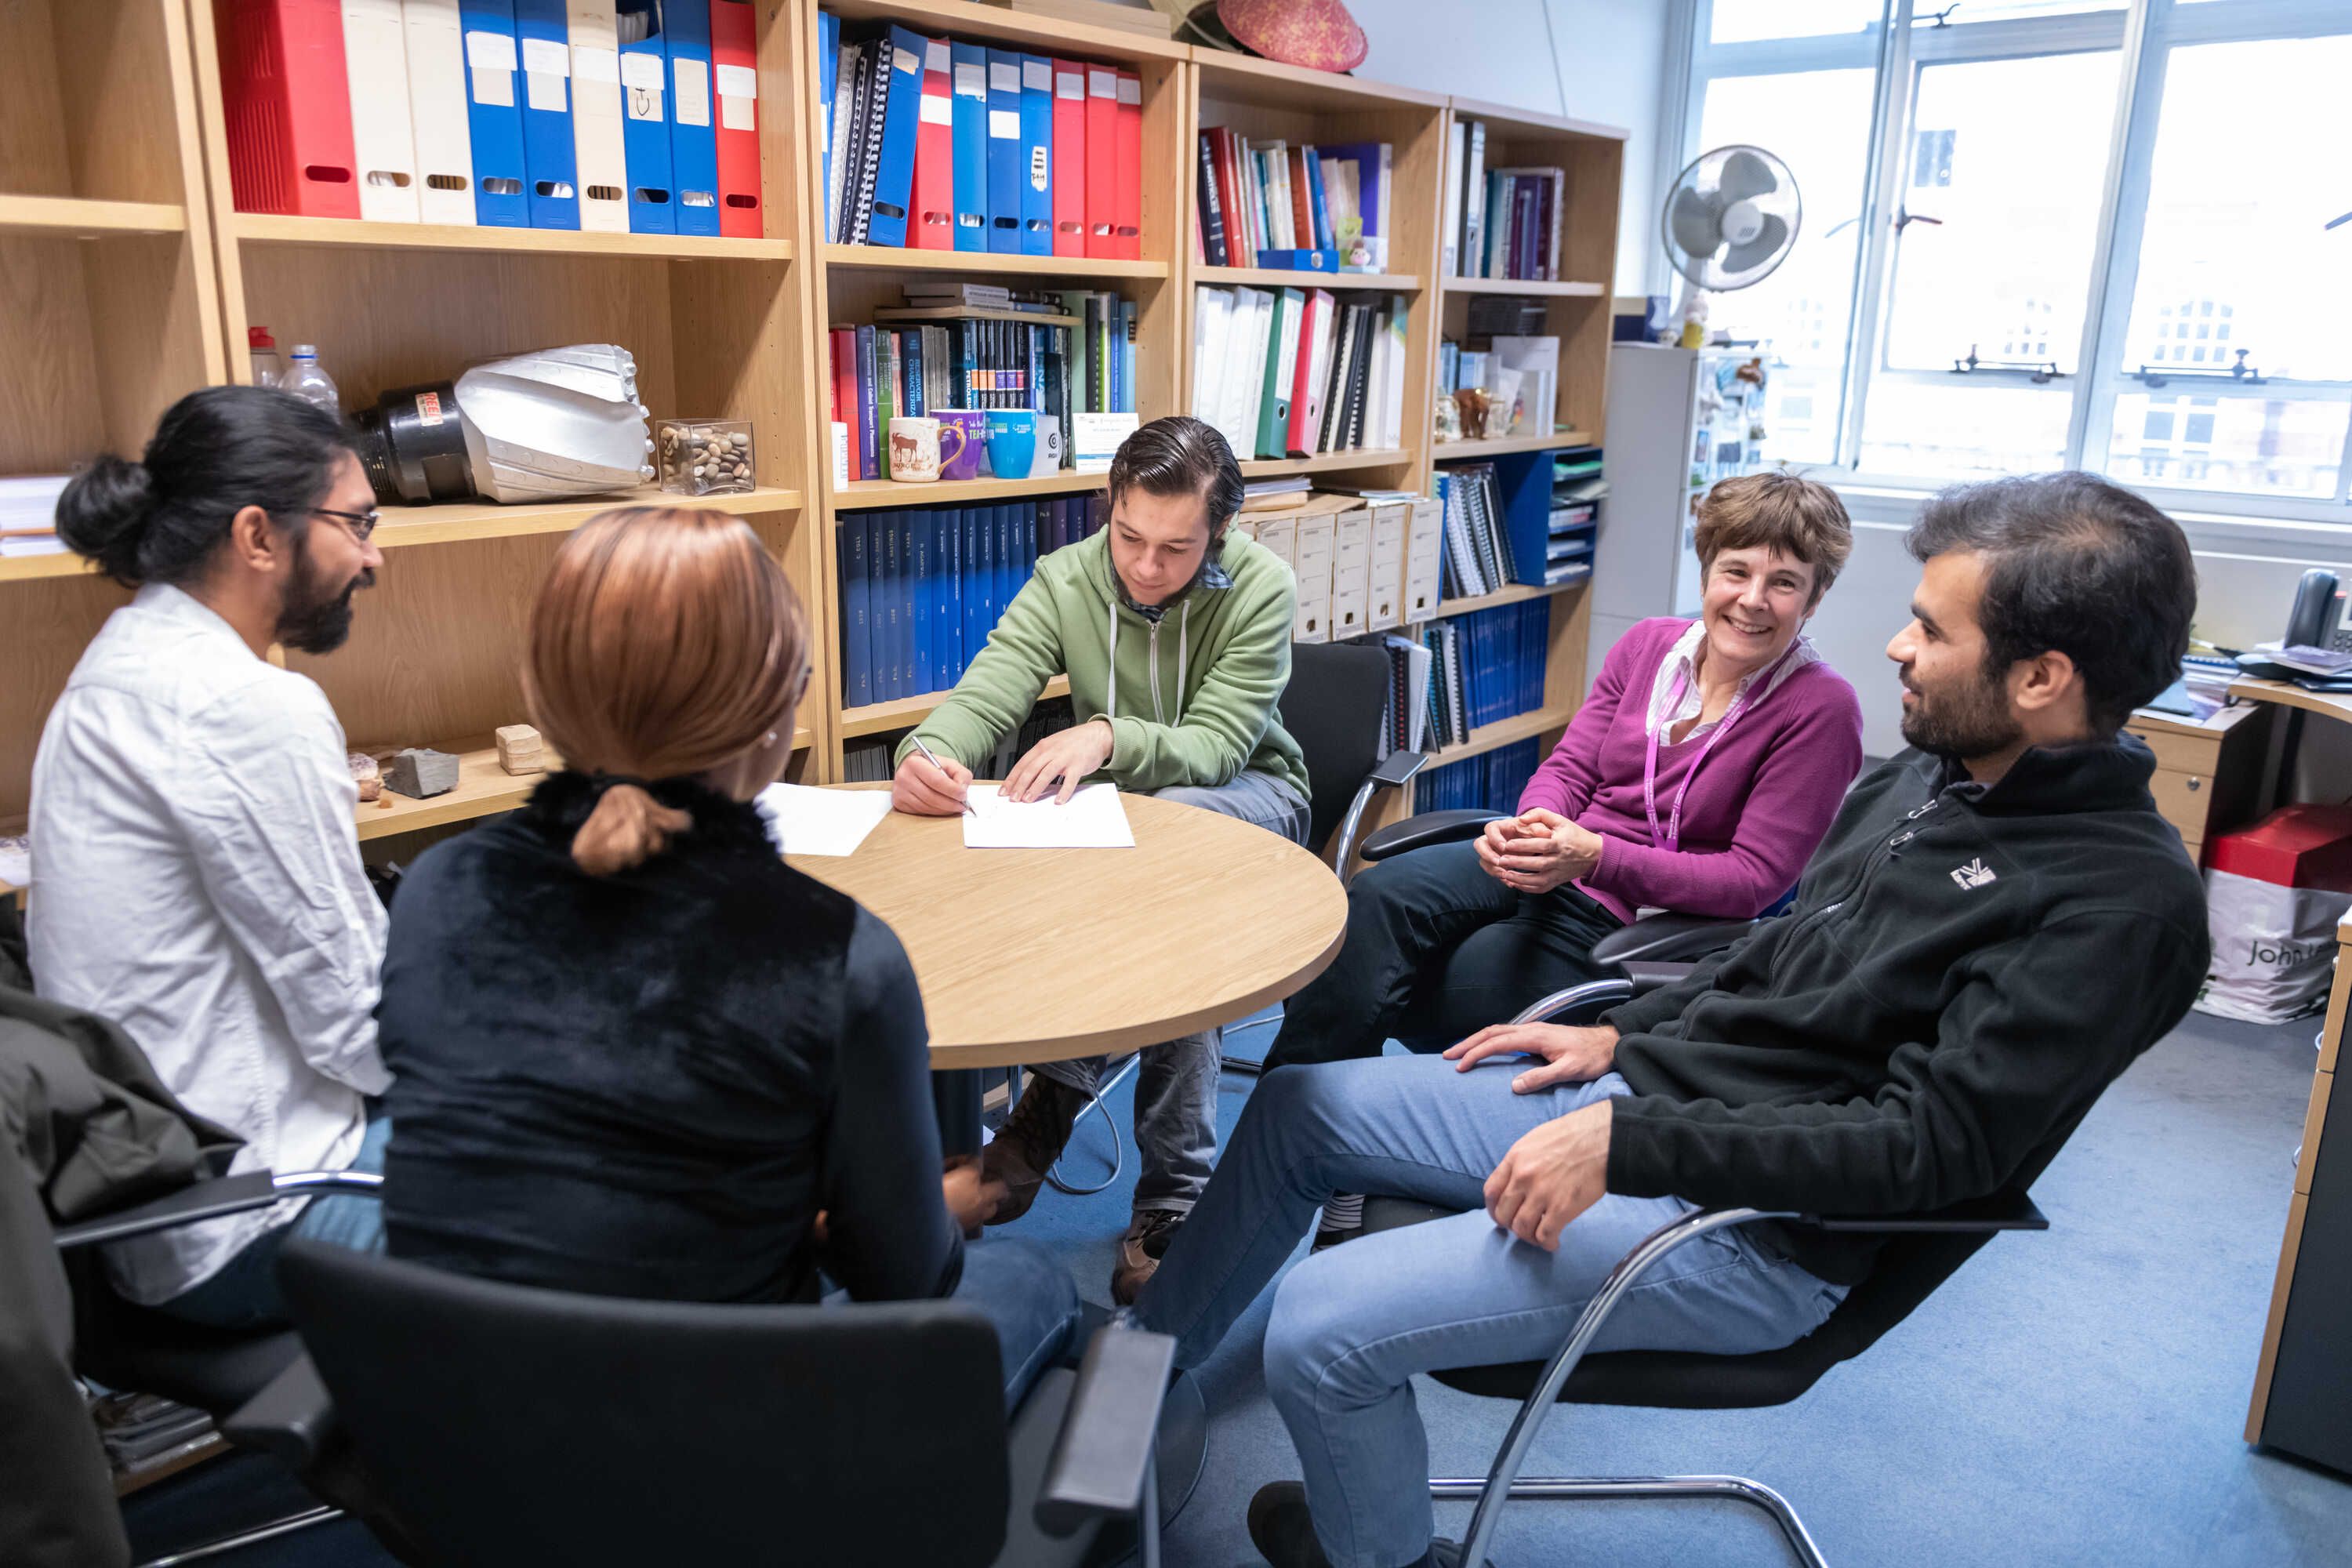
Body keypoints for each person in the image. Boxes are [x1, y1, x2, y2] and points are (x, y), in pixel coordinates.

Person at [1133, 471, 2210, 1568]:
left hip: (1757, 1231)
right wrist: (1623, 1042)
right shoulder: (1931, 779)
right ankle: (1138, 1383)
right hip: (1659, 1098)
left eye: (1931, 630)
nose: (1896, 647)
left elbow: (1925, 1151)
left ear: (2042, 678)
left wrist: (1633, 1139)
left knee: (1320, 1325)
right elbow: (1776, 953)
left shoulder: (2118, 909)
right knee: (1303, 1105)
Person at [376, 507, 1080, 1410]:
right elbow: (905, 1279)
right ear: (770, 718)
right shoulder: (838, 957)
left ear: (546, 694)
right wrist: (971, 1193)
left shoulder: (437, 888)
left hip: (464, 1427)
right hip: (729, 1454)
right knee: (1036, 1284)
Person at [891, 415, 1311, 1304]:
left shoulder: (1265, 586)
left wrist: (1105, 734)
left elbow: (1219, 748)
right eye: (1128, 536)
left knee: (1177, 839)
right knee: (1161, 867)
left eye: (1176, 547)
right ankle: (1163, 1197)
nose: (1146, 566)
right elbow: (990, 687)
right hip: (1135, 822)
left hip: (1252, 800)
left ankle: (1071, 1135)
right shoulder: (1067, 576)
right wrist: (927, 753)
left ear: (1221, 532)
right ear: (1109, 508)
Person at [1265, 471, 1864, 1079]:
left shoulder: (1822, 709)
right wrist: (1535, 823)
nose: (1753, 599)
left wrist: (1597, 857)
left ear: (1812, 602)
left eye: (1784, 583)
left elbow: (1751, 880)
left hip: (1644, 925)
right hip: (1553, 863)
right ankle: (1291, 1126)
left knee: (1430, 984)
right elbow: (1572, 767)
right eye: (1736, 572)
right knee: (1368, 904)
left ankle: (1315, 1133)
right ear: (1708, 572)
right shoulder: (1648, 646)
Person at [31, 385, 390, 1327]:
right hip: (255, 1218)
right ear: (259, 536)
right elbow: (361, 1028)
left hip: (141, 1210)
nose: (373, 554)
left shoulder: (123, 662)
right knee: (602, 1149)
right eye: (356, 523)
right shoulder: (243, 705)